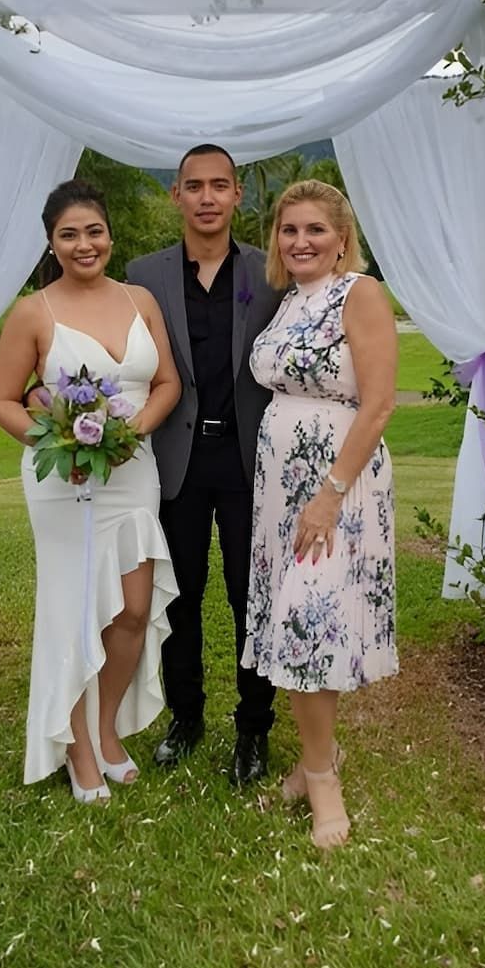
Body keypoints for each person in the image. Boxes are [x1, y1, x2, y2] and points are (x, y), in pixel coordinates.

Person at [0, 178, 181, 801]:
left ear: (109, 234)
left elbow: (167, 384)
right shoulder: (32, 312)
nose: (84, 244)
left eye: (93, 231)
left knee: (131, 608)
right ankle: (76, 748)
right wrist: (59, 444)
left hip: (133, 470)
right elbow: (1, 401)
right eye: (69, 235)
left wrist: (136, 431)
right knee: (72, 609)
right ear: (52, 243)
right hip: (66, 481)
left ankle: (105, 728)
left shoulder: (140, 299)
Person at [242, 179, 397, 849]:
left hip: (337, 483)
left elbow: (380, 403)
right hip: (279, 486)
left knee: (310, 622)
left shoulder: (357, 293)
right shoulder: (287, 303)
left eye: (315, 231)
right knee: (294, 619)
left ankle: (322, 777)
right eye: (289, 229)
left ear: (341, 240)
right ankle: (316, 764)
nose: (300, 241)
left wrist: (330, 494)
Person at [127, 144, 282, 784]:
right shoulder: (144, 274)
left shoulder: (271, 272)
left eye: (221, 185)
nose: (208, 197)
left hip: (251, 462)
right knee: (178, 599)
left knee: (254, 599)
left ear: (238, 193)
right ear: (177, 195)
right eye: (195, 186)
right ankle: (186, 717)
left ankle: (253, 729)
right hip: (175, 461)